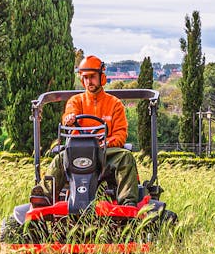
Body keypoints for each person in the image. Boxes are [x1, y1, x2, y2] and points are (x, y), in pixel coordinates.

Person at [32, 55, 141, 206]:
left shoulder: (114, 104)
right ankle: (44, 197)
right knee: (59, 159)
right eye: (85, 78)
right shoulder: (76, 101)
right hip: (78, 152)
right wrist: (69, 119)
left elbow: (121, 135)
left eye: (92, 77)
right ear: (82, 80)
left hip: (105, 154)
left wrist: (104, 143)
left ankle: (128, 202)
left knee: (126, 156)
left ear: (102, 77)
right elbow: (68, 115)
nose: (89, 81)